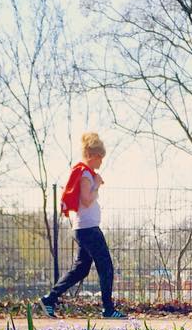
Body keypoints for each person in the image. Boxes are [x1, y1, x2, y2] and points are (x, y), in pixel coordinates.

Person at [38, 132, 127, 319]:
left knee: (81, 269)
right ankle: (108, 309)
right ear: (92, 156)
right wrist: (96, 185)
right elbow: (86, 200)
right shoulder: (86, 174)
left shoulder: (84, 172)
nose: (101, 162)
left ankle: (49, 299)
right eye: (100, 158)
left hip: (83, 228)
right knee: (106, 267)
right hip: (89, 229)